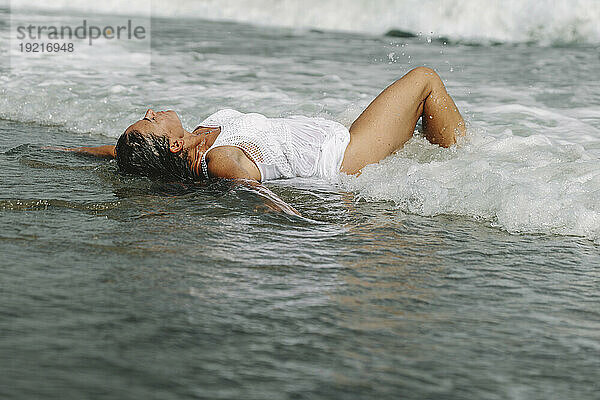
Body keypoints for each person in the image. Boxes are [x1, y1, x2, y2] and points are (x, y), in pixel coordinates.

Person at [61, 67, 465, 215]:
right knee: (424, 80)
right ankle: (467, 164)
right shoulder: (219, 161)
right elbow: (254, 191)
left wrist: (70, 152)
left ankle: (443, 152)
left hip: (332, 136)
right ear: (171, 146)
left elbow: (121, 153)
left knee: (415, 103)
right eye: (149, 121)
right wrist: (323, 214)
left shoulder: (189, 142)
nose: (151, 111)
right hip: (343, 155)